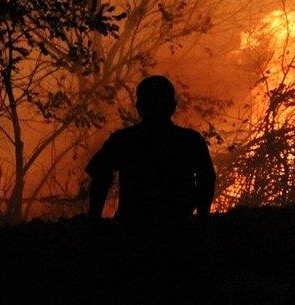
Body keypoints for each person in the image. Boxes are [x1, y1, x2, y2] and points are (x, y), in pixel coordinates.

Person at [86, 75, 216, 226]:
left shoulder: (123, 140)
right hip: (178, 227)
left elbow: (100, 176)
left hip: (132, 228)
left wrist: (94, 220)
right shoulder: (190, 140)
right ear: (173, 106)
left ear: (139, 107)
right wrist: (202, 219)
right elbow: (206, 179)